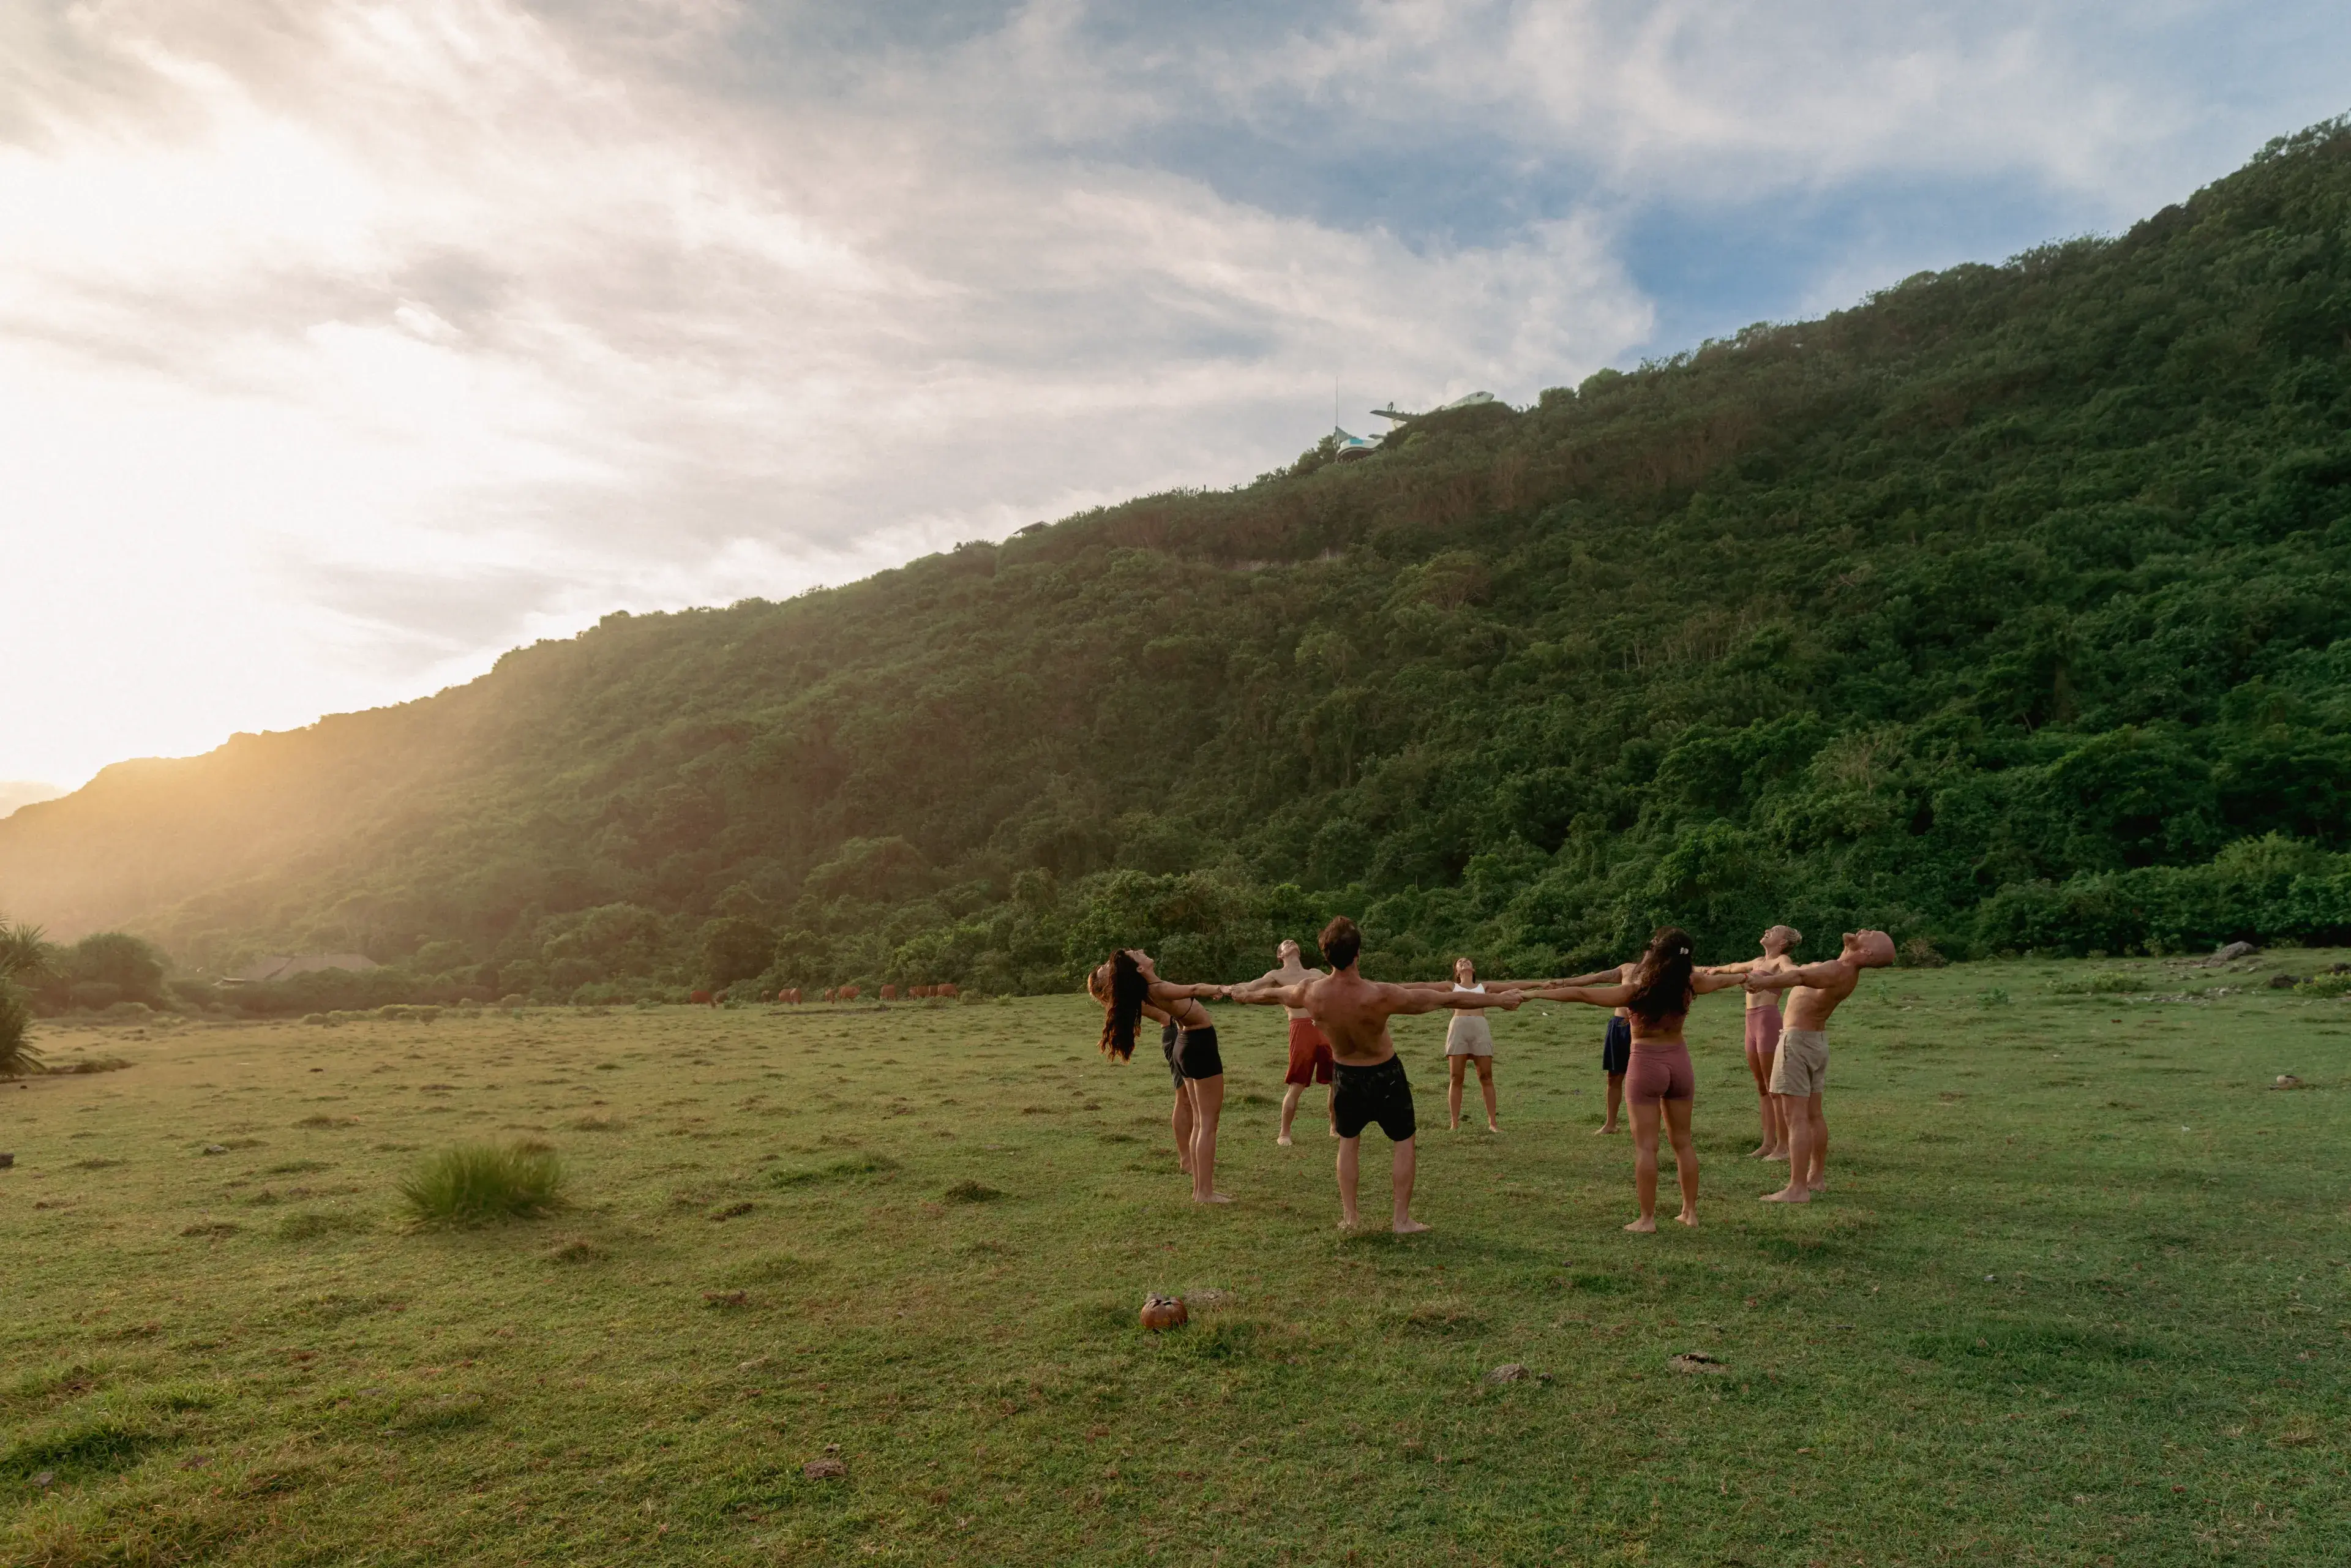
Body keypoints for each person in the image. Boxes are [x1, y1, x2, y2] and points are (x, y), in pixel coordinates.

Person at [1224, 916, 1520, 1232]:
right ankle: (1401, 1220)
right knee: (1404, 1141)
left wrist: (1243, 993)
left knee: (1348, 1142)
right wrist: (1496, 1000)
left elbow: (1272, 995)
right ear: (1357, 954)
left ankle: (1351, 1219)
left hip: (1346, 1075)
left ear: (1326, 956)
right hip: (1385, 1074)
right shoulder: (1380, 994)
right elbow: (1444, 999)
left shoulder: (1310, 992)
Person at [1523, 929, 1745, 1232]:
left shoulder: (1637, 990)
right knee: (1683, 1143)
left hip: (1646, 1064)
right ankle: (1689, 1213)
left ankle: (1647, 1219)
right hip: (1680, 1063)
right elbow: (1725, 980)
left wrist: (1534, 993)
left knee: (1646, 1147)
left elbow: (1582, 994)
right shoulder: (1692, 983)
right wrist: (1746, 978)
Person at [1741, 929, 1897, 1204]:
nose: (1865, 931)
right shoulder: (1843, 971)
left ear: (1867, 953)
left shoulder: (1839, 969)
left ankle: (1797, 1188)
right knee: (1813, 1114)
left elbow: (1800, 977)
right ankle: (1816, 1178)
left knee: (1796, 1117)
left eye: (1871, 935)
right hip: (1814, 1041)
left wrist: (1765, 982)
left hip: (1798, 1042)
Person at [1097, 950, 1233, 1203]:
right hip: (1198, 1043)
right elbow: (1194, 988)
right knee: (1207, 1124)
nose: (1141, 952)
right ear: (1139, 968)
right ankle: (1205, 1192)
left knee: (1201, 1122)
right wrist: (1224, 989)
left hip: (1188, 1042)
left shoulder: (1151, 988)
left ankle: (1200, 1189)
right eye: (1136, 954)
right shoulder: (1157, 988)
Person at [1703, 926, 1804, 1160]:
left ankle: (1783, 1146)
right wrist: (1716, 970)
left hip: (1768, 1021)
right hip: (1751, 1022)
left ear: (1782, 943)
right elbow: (1733, 968)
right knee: (1762, 1086)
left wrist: (1769, 981)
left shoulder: (1782, 960)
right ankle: (1768, 1144)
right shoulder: (1759, 961)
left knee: (1774, 1088)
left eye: (1775, 930)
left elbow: (1793, 974)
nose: (1768, 930)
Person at [1229, 939, 1335, 1146]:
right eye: (1286, 944)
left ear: (1299, 951)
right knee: (1297, 1084)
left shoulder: (1315, 973)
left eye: (1293, 942)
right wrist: (1224, 990)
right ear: (1281, 955)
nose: (1291, 943)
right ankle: (1284, 1133)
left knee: (1336, 1081)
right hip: (1300, 1027)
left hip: (1324, 1027)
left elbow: (1338, 981)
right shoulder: (1276, 976)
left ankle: (1335, 1127)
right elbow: (1251, 986)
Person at [1091, 967, 1188, 1171]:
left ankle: (1197, 1152)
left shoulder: (1129, 987)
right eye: (1103, 970)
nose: (1106, 965)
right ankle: (1186, 1160)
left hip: (1181, 1029)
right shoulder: (1125, 993)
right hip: (1174, 1032)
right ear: (1107, 983)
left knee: (1193, 1099)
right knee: (1184, 1099)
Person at [1441, 957, 1501, 1133]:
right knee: (1456, 1077)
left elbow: (1513, 984)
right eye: (1460, 962)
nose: (1464, 962)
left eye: (1467, 961)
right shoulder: (1451, 987)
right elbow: (1423, 987)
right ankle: (1454, 1124)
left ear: (1473, 970)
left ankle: (1493, 1124)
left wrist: (1542, 986)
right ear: (1457, 972)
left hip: (1480, 1028)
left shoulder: (1484, 987)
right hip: (1458, 1028)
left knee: (1486, 1077)